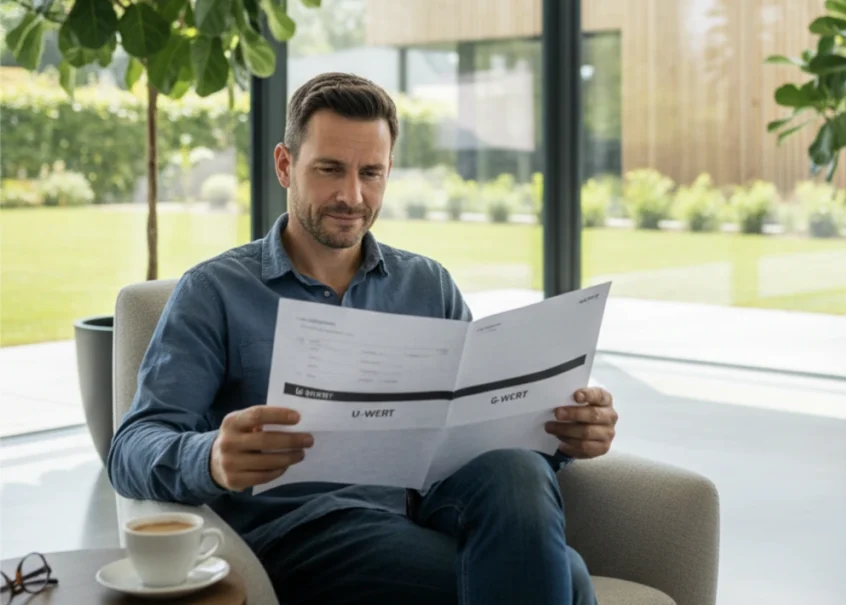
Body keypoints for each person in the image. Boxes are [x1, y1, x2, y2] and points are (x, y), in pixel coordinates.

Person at [108, 72, 619, 605]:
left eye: (371, 173)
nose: (352, 196)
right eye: (330, 170)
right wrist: (212, 455)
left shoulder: (427, 285)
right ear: (285, 165)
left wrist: (559, 434)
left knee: (519, 466)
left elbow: (471, 430)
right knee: (570, 581)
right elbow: (132, 449)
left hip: (416, 513)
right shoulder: (216, 291)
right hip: (299, 536)